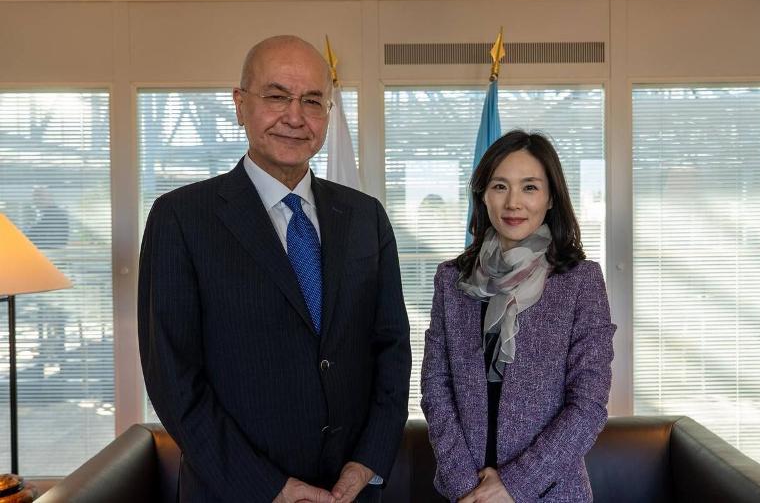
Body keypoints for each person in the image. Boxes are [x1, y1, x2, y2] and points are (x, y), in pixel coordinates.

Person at [138, 35, 411, 503]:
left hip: (351, 491)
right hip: (234, 491)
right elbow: (174, 378)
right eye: (276, 96)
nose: (294, 116)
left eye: (312, 101)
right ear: (240, 104)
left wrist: (368, 460)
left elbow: (391, 347)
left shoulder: (366, 216)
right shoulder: (181, 218)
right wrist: (270, 487)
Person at [421, 131, 615, 502]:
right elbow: (435, 386)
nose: (513, 203)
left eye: (529, 187)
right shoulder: (452, 279)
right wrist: (469, 488)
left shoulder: (580, 281)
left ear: (551, 197)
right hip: (465, 493)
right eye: (500, 186)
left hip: (551, 491)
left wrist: (512, 486)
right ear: (483, 194)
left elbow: (588, 403)